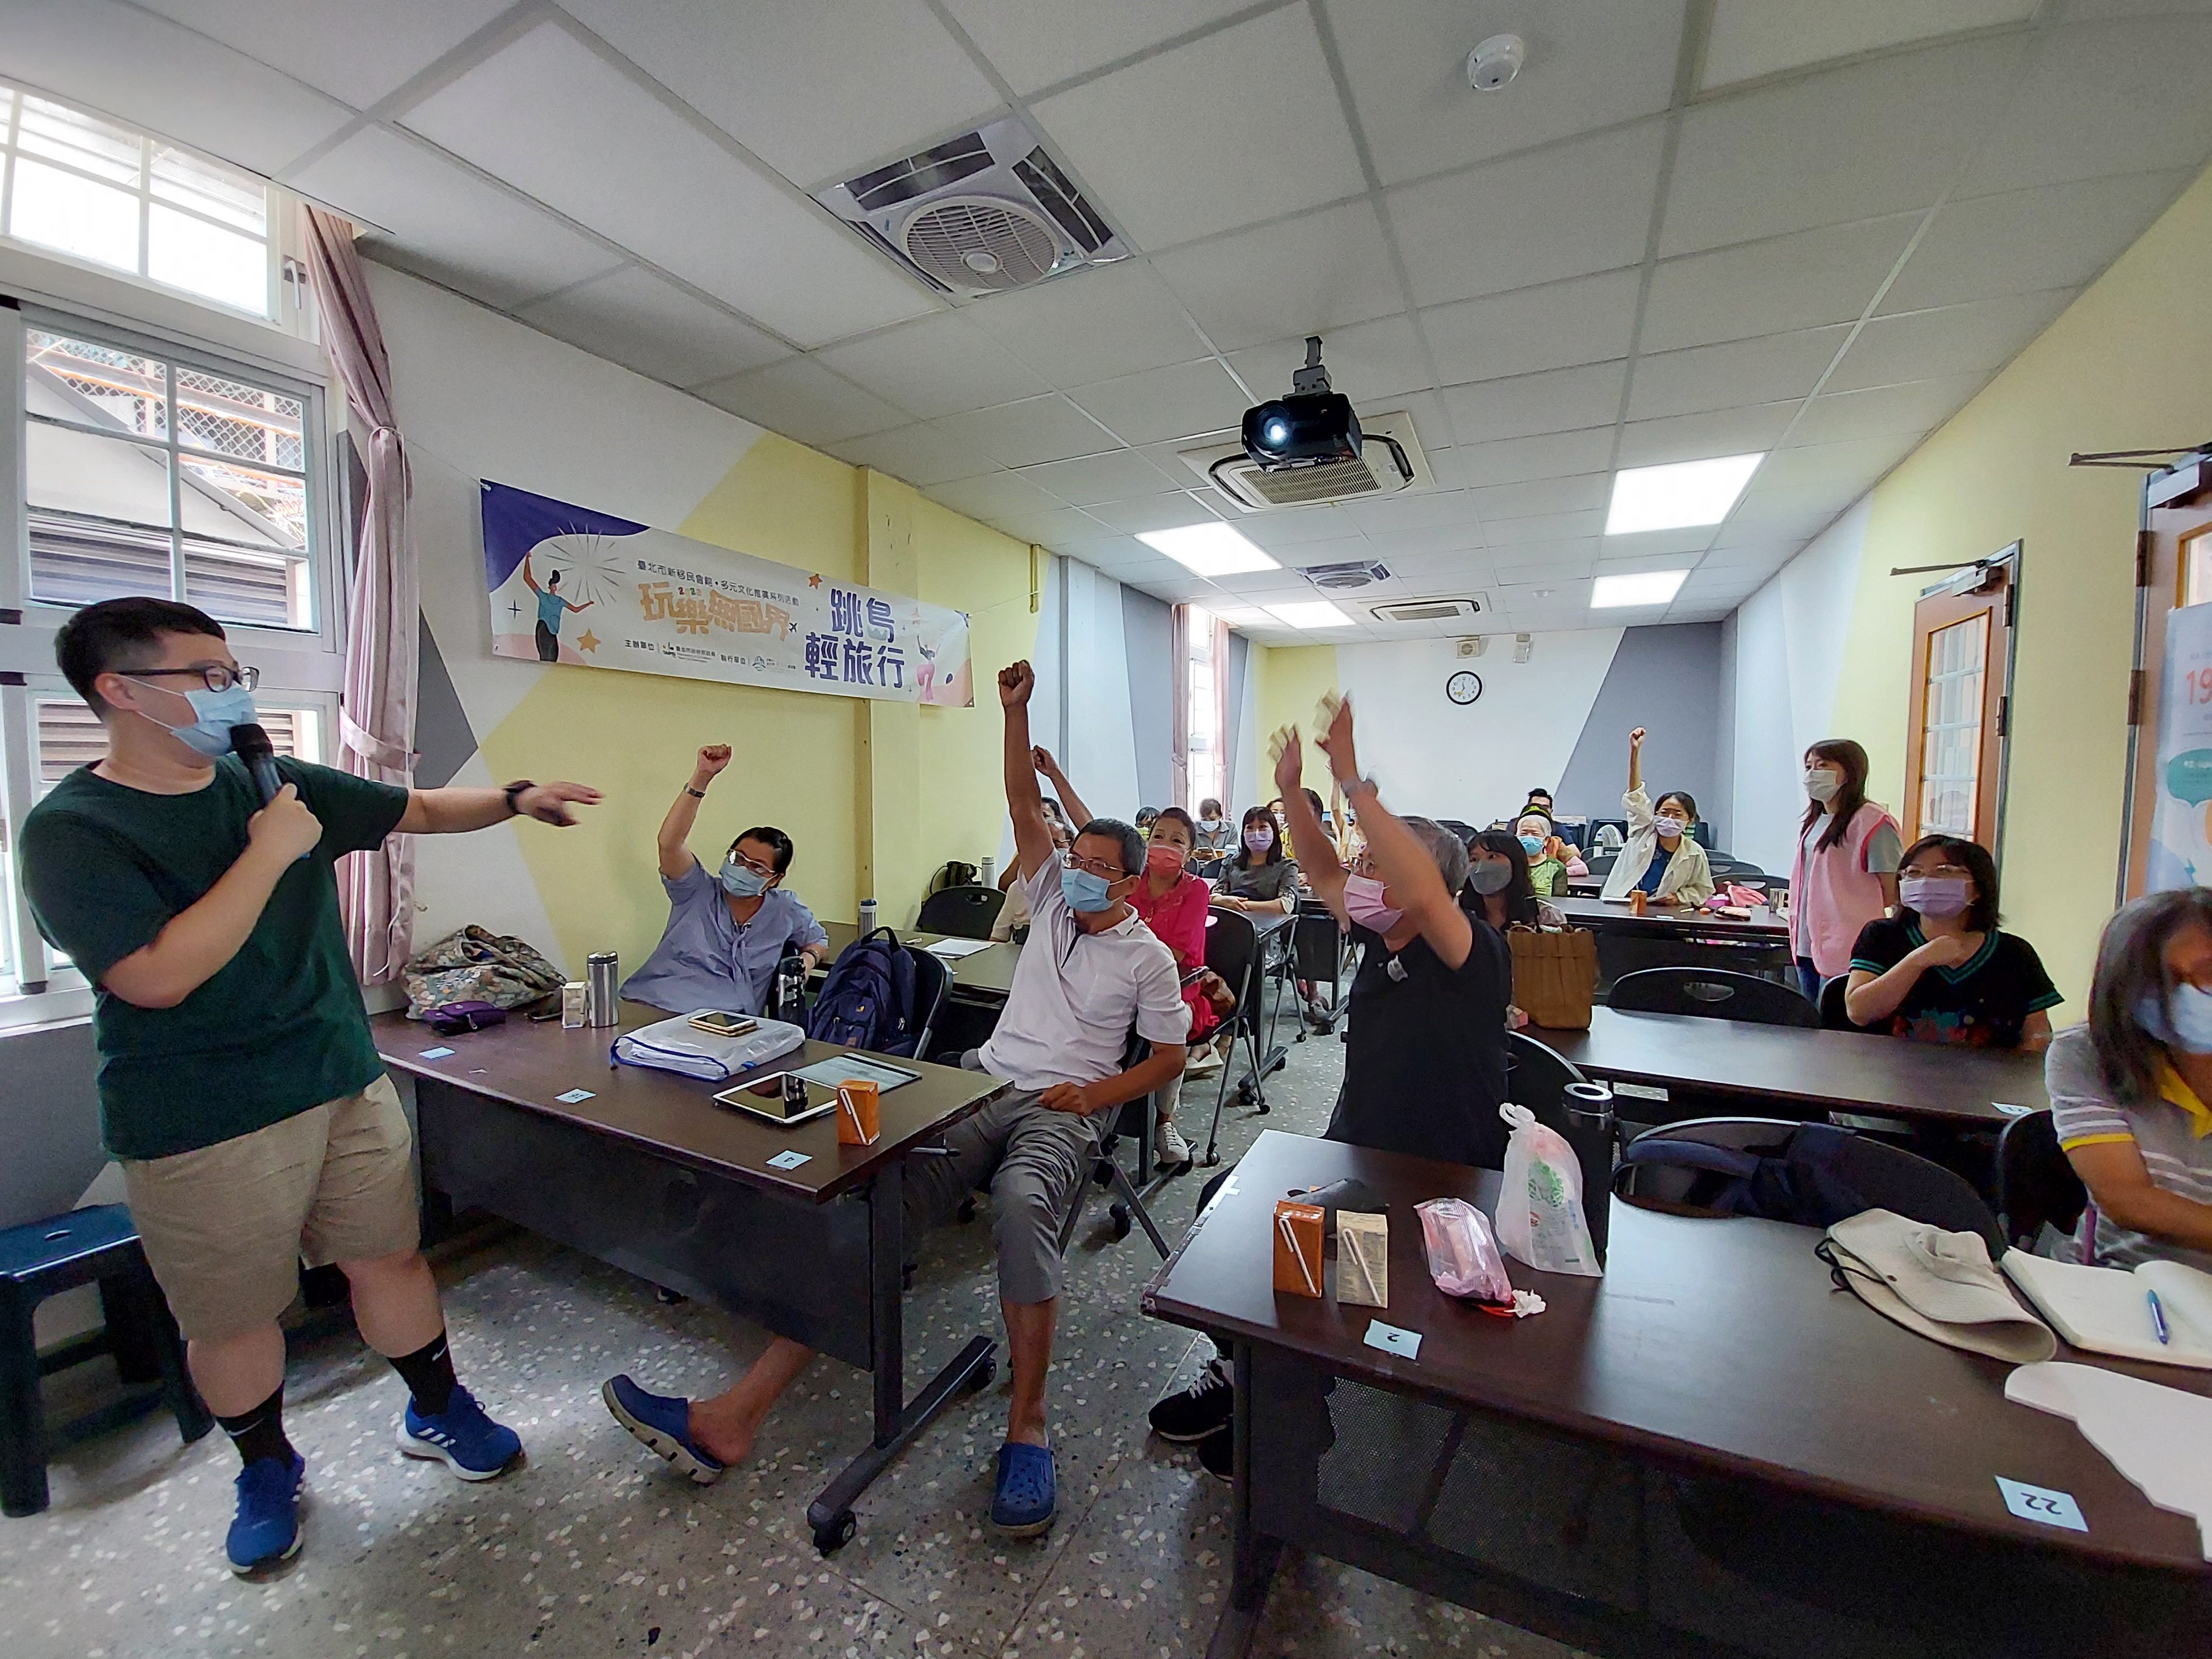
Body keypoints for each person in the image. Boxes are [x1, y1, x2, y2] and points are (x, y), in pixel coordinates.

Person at [17, 597, 603, 1574]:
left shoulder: (271, 780)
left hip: (337, 1077)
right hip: (203, 1117)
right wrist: (267, 853)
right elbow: (156, 975)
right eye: (203, 675)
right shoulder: (73, 832)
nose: (231, 690)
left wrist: (515, 798)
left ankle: (437, 1407)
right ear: (117, 691)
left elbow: (411, 809)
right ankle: (265, 1466)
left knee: (392, 1260)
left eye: (234, 669)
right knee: (235, 1317)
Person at [602, 660, 1188, 1537]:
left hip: (1066, 1107)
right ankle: (733, 1415)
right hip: (984, 1082)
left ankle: (1027, 1429)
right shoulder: (1050, 905)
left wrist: (1097, 1093)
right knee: (873, 1199)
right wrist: (1014, 713)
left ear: (1132, 883)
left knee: (1024, 1207)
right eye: (1081, 861)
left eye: (1104, 868)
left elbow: (1172, 1056)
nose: (1083, 874)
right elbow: (1024, 806)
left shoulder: (1149, 957)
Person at [1150, 696, 1509, 1474]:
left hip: (1442, 1183)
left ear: (1427, 885)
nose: (1361, 878)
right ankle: (1258, 1376)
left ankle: (1289, 1403)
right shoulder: (1381, 940)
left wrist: (1350, 778)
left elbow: (1415, 888)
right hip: (1363, 1156)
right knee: (1226, 1214)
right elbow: (1318, 866)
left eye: (1379, 865)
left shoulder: (1468, 951)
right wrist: (1289, 788)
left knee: (1318, 1255)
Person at [1032, 760, 1231, 1159]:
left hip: (1181, 986)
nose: (1165, 845)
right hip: (1121, 980)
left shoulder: (1195, 892)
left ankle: (1164, 1123)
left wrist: (1131, 950)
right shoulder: (1129, 882)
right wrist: (1056, 777)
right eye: (1158, 835)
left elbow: (1175, 956)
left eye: (1177, 841)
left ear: (1191, 853)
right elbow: (1092, 828)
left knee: (1167, 1021)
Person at [2048, 889, 2212, 1273]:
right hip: (2124, 1283)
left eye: (2209, 973)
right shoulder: (2089, 1054)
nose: (2187, 995)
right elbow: (2129, 1201)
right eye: (2161, 981)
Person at [620, 745, 827, 1015]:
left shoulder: (784, 910)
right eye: (738, 858)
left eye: (757, 867)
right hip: (656, 1007)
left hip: (726, 1023)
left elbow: (818, 939)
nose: (743, 869)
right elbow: (669, 843)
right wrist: (701, 778)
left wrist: (808, 961)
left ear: (775, 879)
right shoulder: (697, 891)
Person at [1843, 836, 2058, 1049]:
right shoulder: (1882, 935)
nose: (1926, 881)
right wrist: (1918, 961)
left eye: (1944, 871)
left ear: (1978, 888)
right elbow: (1859, 1013)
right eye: (1914, 873)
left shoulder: (2015, 953)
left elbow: (2037, 1036)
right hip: (1893, 1078)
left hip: (1987, 1081)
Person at [1791, 738, 1902, 1003]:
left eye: (1823, 765)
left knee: (1835, 1026)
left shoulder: (1872, 821)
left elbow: (1892, 890)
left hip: (1850, 943)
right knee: (1810, 1024)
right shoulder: (1816, 820)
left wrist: (1847, 911)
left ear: (1850, 771)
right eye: (1809, 767)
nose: (1812, 774)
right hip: (1807, 940)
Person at [1598, 727, 1714, 908]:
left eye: (1677, 815)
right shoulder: (1643, 831)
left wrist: (1679, 897)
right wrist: (1635, 752)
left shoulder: (1694, 853)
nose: (1669, 818)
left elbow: (1703, 889)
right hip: (1622, 906)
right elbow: (1635, 795)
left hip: (1663, 912)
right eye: (1664, 812)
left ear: (1689, 820)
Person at [1467, 831, 1565, 1033]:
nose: (1481, 867)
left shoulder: (1545, 917)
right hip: (1470, 1023)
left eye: (1493, 856)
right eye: (1473, 859)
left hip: (1537, 1023)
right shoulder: (1457, 917)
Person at [520, 550, 593, 664]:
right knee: (545, 656)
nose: (554, 587)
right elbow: (528, 578)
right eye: (553, 584)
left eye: (556, 585)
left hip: (553, 632)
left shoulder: (560, 601)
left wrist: (588, 604)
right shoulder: (543, 597)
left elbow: (575, 609)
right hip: (543, 628)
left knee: (554, 656)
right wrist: (527, 560)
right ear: (550, 586)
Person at [1514, 810, 1585, 897]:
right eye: (1524, 834)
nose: (1529, 837)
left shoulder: (1556, 867)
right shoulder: (1510, 864)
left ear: (1546, 840)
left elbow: (1559, 900)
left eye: (1535, 834)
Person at [1192, 797, 1235, 861]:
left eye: (1212, 819)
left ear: (1220, 816)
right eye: (1204, 819)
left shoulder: (1230, 829)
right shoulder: (1193, 829)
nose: (1208, 822)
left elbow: (1235, 853)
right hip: (1200, 869)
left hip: (1225, 867)